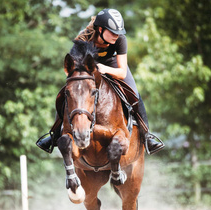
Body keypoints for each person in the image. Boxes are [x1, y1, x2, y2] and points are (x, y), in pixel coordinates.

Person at [37, 8, 164, 155]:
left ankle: (147, 135)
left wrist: (104, 68)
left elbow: (122, 72)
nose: (117, 36)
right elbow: (73, 70)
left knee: (134, 92)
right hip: (88, 66)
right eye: (113, 32)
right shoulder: (82, 41)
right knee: (68, 92)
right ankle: (55, 134)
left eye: (119, 32)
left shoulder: (120, 40)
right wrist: (90, 71)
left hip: (112, 65)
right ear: (100, 29)